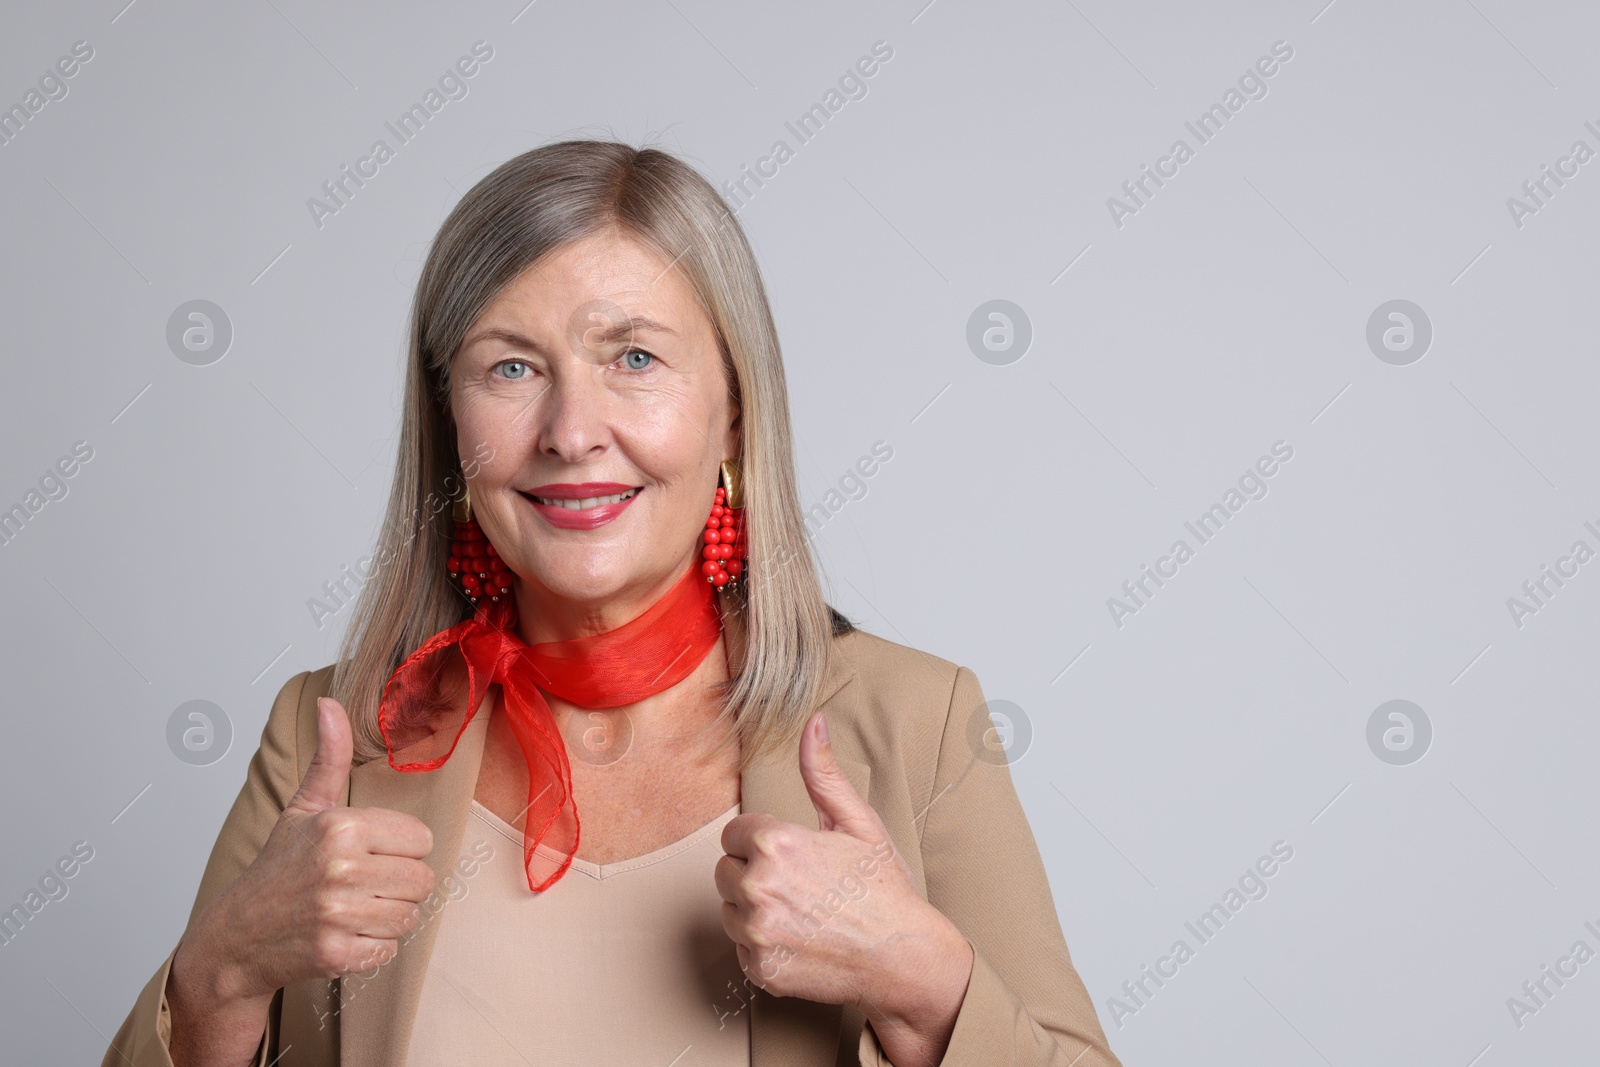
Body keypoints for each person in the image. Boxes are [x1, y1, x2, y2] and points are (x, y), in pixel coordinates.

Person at [102, 139, 1122, 1067]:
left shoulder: (916, 721)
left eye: (633, 356)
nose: (570, 430)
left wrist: (925, 983)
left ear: (732, 409)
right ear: (450, 422)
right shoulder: (332, 736)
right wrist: (220, 978)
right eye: (511, 366)